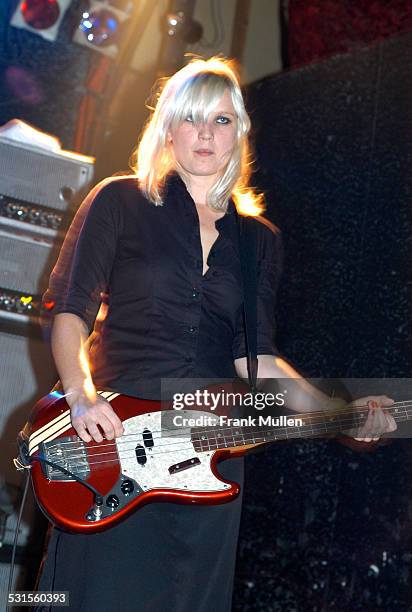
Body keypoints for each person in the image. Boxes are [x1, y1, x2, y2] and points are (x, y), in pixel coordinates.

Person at [33, 56, 396, 612]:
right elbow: (70, 312)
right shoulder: (120, 200)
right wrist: (80, 395)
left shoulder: (259, 242)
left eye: (221, 120)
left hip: (208, 456)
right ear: (168, 126)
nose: (205, 133)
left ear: (240, 133)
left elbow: (259, 363)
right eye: (192, 118)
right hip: (113, 443)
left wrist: (341, 414)